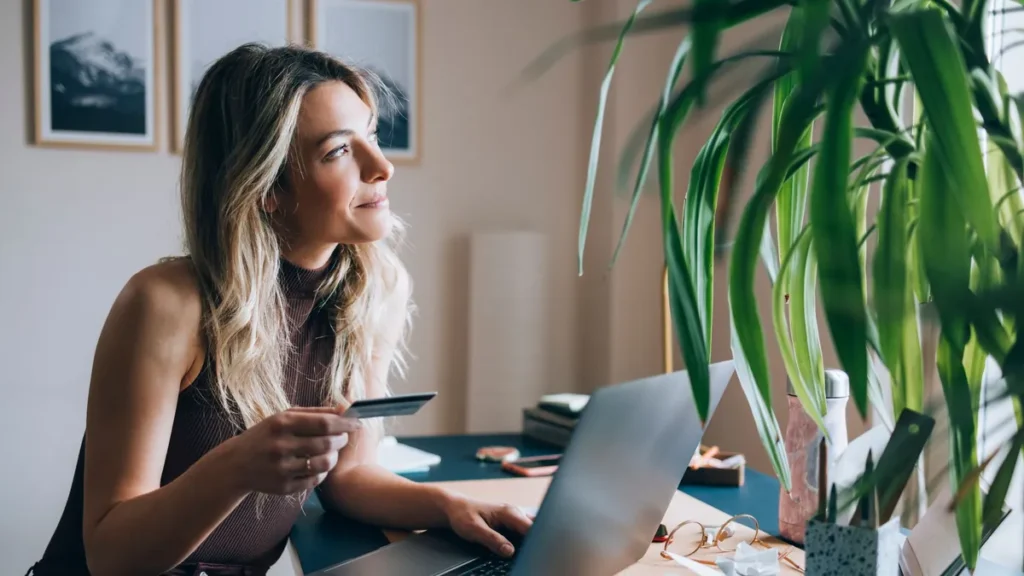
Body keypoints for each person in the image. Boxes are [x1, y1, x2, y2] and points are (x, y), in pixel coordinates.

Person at [29, 43, 532, 576]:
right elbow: (111, 557)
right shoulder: (166, 304)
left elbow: (348, 477)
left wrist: (453, 508)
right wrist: (236, 467)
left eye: (373, 137)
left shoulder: (372, 290)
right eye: (339, 151)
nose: (382, 167)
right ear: (266, 186)